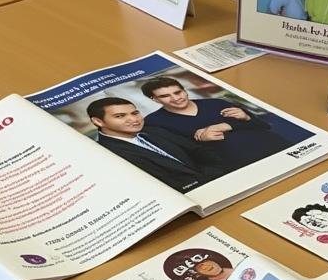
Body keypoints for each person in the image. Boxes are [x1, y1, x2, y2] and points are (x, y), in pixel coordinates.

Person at [140, 76, 298, 169]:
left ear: (184, 90)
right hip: (241, 165)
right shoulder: (154, 122)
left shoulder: (215, 103)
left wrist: (244, 118)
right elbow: (178, 154)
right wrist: (201, 139)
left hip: (277, 147)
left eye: (178, 92)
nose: (176, 98)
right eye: (165, 96)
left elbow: (263, 125)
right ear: (154, 99)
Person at [86, 97, 222, 193]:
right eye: (120, 116)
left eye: (135, 113)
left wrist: (218, 174)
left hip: (216, 180)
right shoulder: (105, 154)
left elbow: (199, 151)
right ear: (98, 121)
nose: (133, 120)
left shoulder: (154, 130)